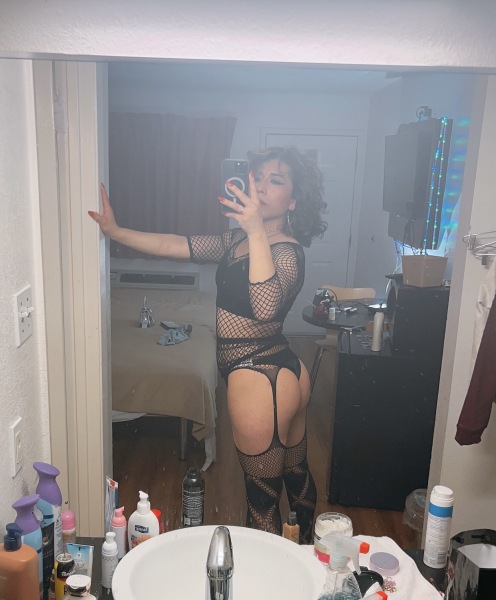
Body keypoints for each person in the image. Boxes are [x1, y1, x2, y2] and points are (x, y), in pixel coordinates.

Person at [89, 146, 327, 543]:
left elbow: (265, 308)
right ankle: (308, 558)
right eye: (258, 177)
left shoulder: (287, 250)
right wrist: (116, 232)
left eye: (276, 181)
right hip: (281, 372)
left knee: (262, 503)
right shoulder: (235, 241)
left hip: (259, 376)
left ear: (294, 199)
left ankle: (279, 570)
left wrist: (255, 230)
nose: (261, 186)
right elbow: (176, 244)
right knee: (295, 475)